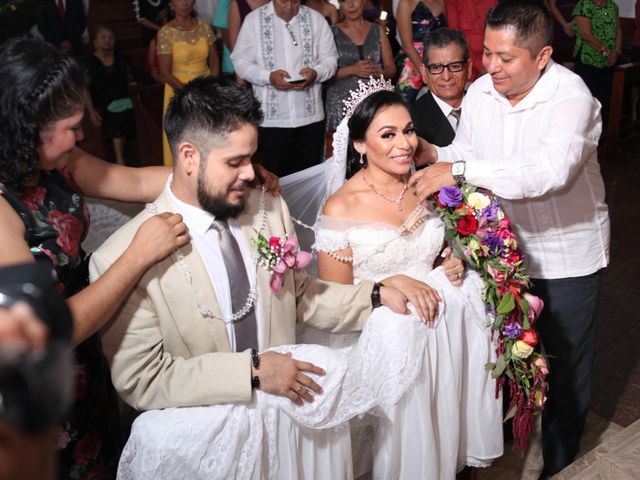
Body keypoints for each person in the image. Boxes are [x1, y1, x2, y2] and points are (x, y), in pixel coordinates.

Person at [89, 76, 409, 478]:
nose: (250, 172)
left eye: (252, 157)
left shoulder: (266, 208)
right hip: (209, 447)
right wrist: (253, 372)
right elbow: (143, 379)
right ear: (189, 156)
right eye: (234, 161)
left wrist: (377, 295)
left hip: (288, 427)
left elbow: (301, 296)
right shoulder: (120, 257)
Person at [410, 2, 610, 478]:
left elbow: (547, 173)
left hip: (567, 257)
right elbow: (470, 153)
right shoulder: (483, 91)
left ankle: (557, 463)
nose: (491, 66)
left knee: (564, 365)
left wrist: (453, 169)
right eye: (487, 53)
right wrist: (432, 151)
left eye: (506, 57)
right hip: (504, 249)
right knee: (509, 351)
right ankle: (503, 437)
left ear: (542, 56)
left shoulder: (572, 99)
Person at [0, 37, 191, 479]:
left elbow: (138, 181)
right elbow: (41, 333)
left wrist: (216, 167)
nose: (81, 134)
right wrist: (137, 256)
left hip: (87, 351)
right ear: (26, 128)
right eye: (70, 126)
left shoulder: (55, 161)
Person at [309, 83, 501, 479]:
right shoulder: (341, 206)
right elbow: (334, 301)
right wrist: (388, 282)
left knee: (443, 433)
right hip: (377, 339)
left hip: (437, 332)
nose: (405, 144)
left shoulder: (428, 186)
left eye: (409, 130)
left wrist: (452, 260)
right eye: (388, 134)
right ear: (359, 144)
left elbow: (436, 249)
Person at [231, 0, 338, 177]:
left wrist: (316, 73)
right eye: (283, 1)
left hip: (309, 118)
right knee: (275, 179)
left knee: (309, 178)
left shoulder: (316, 20)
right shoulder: (254, 21)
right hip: (272, 120)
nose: (289, 7)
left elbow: (330, 59)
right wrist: (268, 77)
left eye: (294, 1)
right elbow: (241, 62)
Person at [158, 0, 220, 165]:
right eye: (179, 0)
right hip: (179, 89)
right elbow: (164, 72)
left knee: (209, 134)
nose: (184, 3)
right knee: (185, 136)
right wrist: (189, 92)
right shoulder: (165, 32)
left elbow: (214, 60)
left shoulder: (204, 26)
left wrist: (210, 85)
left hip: (206, 87)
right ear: (171, 5)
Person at [325, 0, 396, 132]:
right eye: (345, 1)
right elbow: (323, 75)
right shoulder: (331, 32)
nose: (351, 5)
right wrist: (352, 70)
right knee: (343, 149)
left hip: (374, 103)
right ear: (340, 4)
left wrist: (380, 73)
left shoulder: (377, 30)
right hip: (341, 105)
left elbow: (391, 68)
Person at [410, 27, 471, 146]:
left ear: (469, 68)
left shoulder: (486, 105)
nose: (446, 77)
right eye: (436, 68)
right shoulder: (412, 121)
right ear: (424, 72)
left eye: (455, 66)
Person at [85, 25, 136, 165]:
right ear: (95, 42)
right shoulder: (89, 63)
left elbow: (131, 81)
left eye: (111, 37)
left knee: (130, 114)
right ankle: (120, 159)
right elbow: (86, 89)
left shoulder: (122, 59)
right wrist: (91, 111)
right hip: (102, 102)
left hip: (124, 99)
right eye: (103, 37)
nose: (107, 40)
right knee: (117, 118)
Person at [572, 0, 622, 111]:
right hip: (588, 58)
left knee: (604, 98)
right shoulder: (584, 5)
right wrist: (606, 52)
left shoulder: (613, 6)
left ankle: (603, 126)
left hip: (609, 60)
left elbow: (618, 30)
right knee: (587, 98)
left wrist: (617, 51)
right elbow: (586, 35)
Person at [395, 0, 446, 103]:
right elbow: (407, 45)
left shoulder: (441, 1)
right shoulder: (406, 3)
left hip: (439, 60)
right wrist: (425, 72)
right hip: (412, 62)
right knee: (406, 107)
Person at [444, 0, 496, 80]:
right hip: (468, 59)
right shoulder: (452, 2)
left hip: (494, 56)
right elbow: (456, 37)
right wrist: (480, 66)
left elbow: (500, 29)